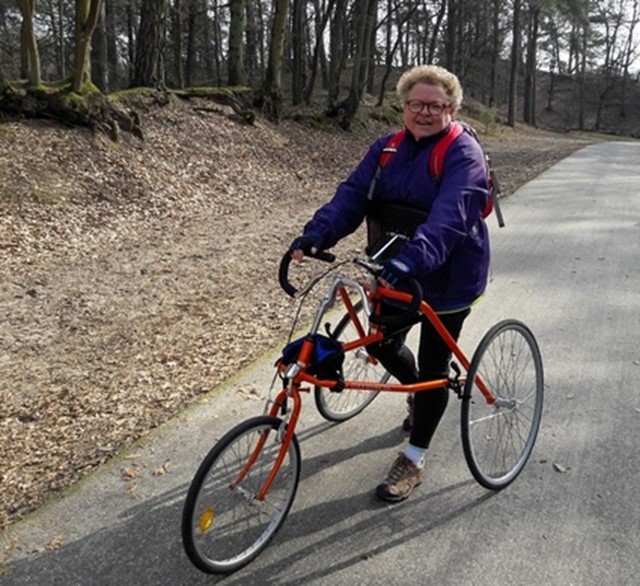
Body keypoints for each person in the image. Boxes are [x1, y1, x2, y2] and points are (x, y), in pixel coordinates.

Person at [288, 64, 490, 502]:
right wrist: (316, 234)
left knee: (435, 372)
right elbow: (352, 196)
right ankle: (419, 400)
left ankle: (414, 458)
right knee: (380, 343)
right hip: (396, 269)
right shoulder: (386, 149)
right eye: (416, 103)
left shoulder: (462, 153)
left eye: (435, 105)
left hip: (449, 276)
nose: (424, 112)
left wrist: (415, 259)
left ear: (451, 109)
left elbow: (451, 217)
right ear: (403, 106)